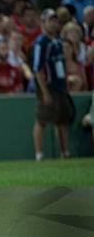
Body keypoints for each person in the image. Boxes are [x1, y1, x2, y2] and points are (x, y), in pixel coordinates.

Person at [32, 9, 74, 161]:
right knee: (42, 120)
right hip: (48, 86)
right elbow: (37, 69)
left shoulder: (57, 41)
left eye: (55, 20)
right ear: (43, 23)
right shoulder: (40, 42)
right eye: (50, 20)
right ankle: (38, 154)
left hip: (60, 85)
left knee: (62, 120)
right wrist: (45, 92)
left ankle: (65, 152)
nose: (54, 23)